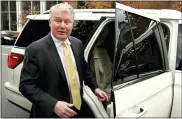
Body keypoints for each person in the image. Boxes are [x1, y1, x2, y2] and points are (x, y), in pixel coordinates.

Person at [19, 3, 108, 118]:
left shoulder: (77, 44)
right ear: (50, 22)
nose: (62, 26)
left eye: (67, 22)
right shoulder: (35, 49)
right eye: (58, 20)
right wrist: (54, 105)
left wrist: (95, 88)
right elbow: (26, 86)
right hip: (50, 114)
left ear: (72, 24)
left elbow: (85, 70)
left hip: (77, 109)